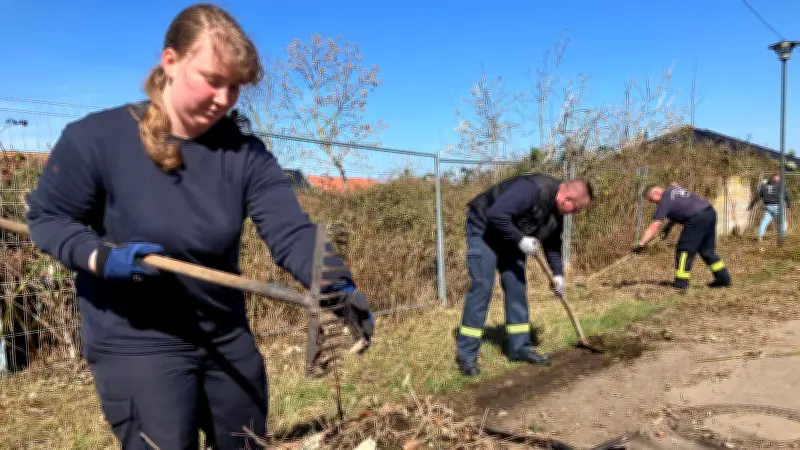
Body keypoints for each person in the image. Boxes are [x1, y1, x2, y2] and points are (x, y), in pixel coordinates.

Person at [24, 4, 374, 449]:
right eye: (213, 80)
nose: (225, 99)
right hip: (139, 341)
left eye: (235, 87)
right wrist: (99, 257)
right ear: (170, 62)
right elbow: (49, 220)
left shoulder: (245, 155)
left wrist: (335, 282)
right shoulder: (96, 139)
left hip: (224, 334)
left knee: (246, 441)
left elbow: (290, 231)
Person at [455, 173, 594, 376]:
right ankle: (466, 355)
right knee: (482, 286)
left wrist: (558, 275)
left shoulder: (557, 214)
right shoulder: (531, 189)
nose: (575, 213)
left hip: (510, 237)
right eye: (577, 209)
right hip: (484, 230)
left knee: (516, 286)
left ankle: (519, 348)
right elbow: (496, 215)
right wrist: (521, 240)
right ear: (567, 199)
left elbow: (553, 245)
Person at [635, 184, 731, 291]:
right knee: (707, 251)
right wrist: (667, 228)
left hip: (697, 218)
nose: (654, 203)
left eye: (652, 200)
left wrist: (641, 244)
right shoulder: (673, 189)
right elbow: (680, 209)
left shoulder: (664, 201)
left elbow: (654, 226)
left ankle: (681, 284)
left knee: (683, 251)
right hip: (709, 212)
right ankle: (723, 279)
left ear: (656, 193)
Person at [747, 172, 791, 241]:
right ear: (777, 178)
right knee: (783, 222)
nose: (779, 179)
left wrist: (751, 205)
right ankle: (782, 237)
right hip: (778, 206)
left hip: (768, 206)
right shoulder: (780, 184)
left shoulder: (764, 185)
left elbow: (757, 197)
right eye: (779, 178)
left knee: (764, 222)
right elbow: (786, 194)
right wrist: (789, 204)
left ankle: (760, 237)